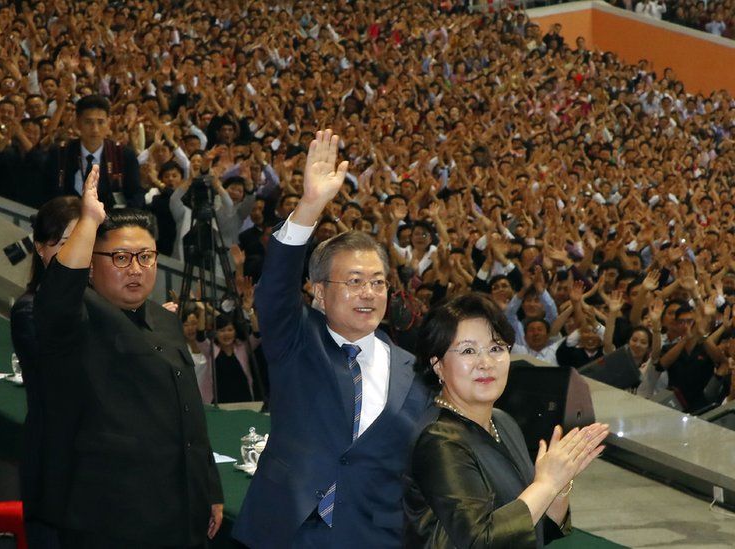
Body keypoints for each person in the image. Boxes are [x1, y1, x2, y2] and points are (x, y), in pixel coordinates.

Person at [233, 130, 432, 548]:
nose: (368, 293)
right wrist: (310, 206)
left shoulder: (415, 370)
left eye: (378, 283)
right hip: (287, 529)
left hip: (371, 535)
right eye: (354, 281)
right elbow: (273, 291)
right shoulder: (297, 339)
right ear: (319, 293)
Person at [33, 166, 223, 547]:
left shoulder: (164, 319)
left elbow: (190, 415)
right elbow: (56, 298)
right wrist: (88, 222)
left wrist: (211, 489)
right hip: (113, 515)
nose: (136, 269)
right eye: (120, 258)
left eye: (146, 257)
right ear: (91, 264)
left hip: (180, 508)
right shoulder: (78, 318)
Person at [403, 292, 609, 548]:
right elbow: (482, 541)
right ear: (437, 364)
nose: (486, 362)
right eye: (468, 350)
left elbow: (533, 529)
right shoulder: (439, 440)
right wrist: (546, 483)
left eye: (496, 348)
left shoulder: (503, 423)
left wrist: (560, 484)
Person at [10, 195, 80, 549]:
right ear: (40, 248)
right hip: (55, 457)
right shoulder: (29, 311)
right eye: (67, 243)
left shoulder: (101, 304)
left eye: (87, 240)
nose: (78, 253)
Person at [53, 95, 142, 208]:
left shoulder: (123, 155)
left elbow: (136, 197)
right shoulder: (61, 153)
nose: (95, 129)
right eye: (88, 122)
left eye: (100, 122)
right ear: (78, 123)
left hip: (111, 221)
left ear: (108, 123)